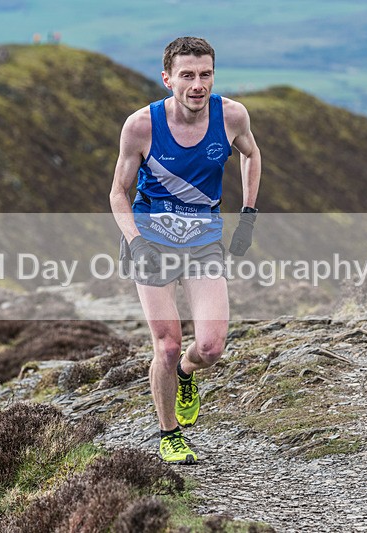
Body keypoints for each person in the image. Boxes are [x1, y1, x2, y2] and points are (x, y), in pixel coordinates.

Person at [109, 37, 261, 464]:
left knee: (211, 347)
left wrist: (247, 215)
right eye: (188, 75)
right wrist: (136, 243)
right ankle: (169, 434)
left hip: (202, 240)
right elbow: (118, 193)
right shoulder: (141, 126)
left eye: (206, 74)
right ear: (167, 78)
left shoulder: (232, 116)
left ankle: (186, 374)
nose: (198, 85)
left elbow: (251, 154)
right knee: (168, 343)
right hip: (151, 238)